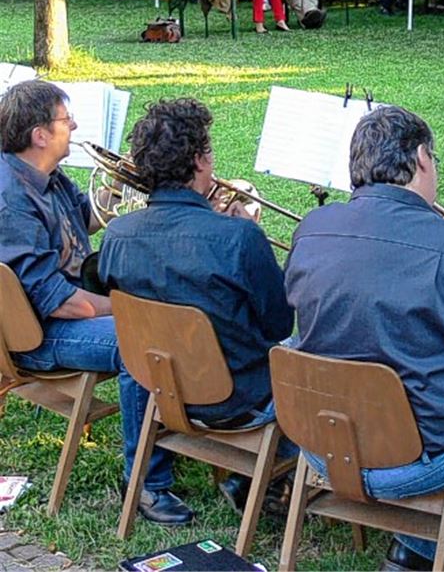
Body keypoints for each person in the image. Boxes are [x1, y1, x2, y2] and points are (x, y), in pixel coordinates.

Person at [284, 106, 444, 572]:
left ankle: (426, 539)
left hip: (321, 442)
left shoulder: (311, 228)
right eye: (435, 159)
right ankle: (422, 545)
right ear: (422, 159)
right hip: (420, 457)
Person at [0, 81, 193, 524]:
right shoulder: (11, 200)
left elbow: (80, 220)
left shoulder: (42, 175)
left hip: (62, 308)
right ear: (40, 134)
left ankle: (176, 433)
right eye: (67, 121)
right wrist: (130, 309)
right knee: (143, 342)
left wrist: (116, 189)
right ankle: (144, 482)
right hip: (40, 334)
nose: (76, 127)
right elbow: (58, 301)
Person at [97, 98, 295, 515]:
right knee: (311, 352)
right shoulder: (240, 238)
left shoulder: (116, 234)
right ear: (201, 161)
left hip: (159, 387)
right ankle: (261, 475)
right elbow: (279, 324)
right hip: (238, 399)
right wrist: (246, 236)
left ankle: (170, 479)